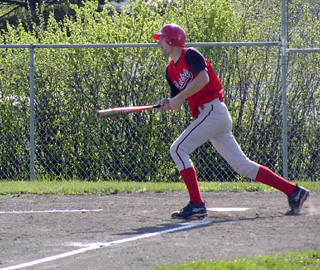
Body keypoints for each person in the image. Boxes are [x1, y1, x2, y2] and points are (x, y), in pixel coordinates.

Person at [153, 24, 310, 219]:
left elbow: (202, 78)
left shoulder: (190, 55)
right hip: (210, 116)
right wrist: (167, 103)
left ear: (172, 40)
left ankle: (196, 204)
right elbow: (177, 102)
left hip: (213, 110)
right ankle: (294, 192)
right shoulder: (170, 71)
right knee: (242, 166)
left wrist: (178, 98)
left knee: (177, 149)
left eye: (161, 38)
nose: (158, 42)